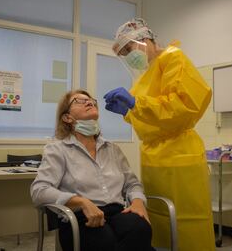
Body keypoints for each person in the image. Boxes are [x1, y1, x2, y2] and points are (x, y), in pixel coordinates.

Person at [104, 18, 215, 251]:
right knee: (159, 219)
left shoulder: (173, 57)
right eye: (123, 53)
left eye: (128, 49)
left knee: (185, 222)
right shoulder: (146, 73)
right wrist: (128, 111)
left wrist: (136, 104)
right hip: (154, 157)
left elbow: (183, 107)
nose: (128, 56)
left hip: (178, 154)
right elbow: (148, 115)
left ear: (145, 39)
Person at [30, 89, 154, 251]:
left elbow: (132, 184)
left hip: (116, 213)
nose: (89, 102)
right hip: (79, 217)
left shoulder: (113, 149)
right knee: (104, 241)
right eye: (79, 101)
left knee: (140, 228)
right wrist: (82, 202)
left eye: (91, 100)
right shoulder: (57, 150)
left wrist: (138, 202)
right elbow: (39, 191)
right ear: (67, 117)